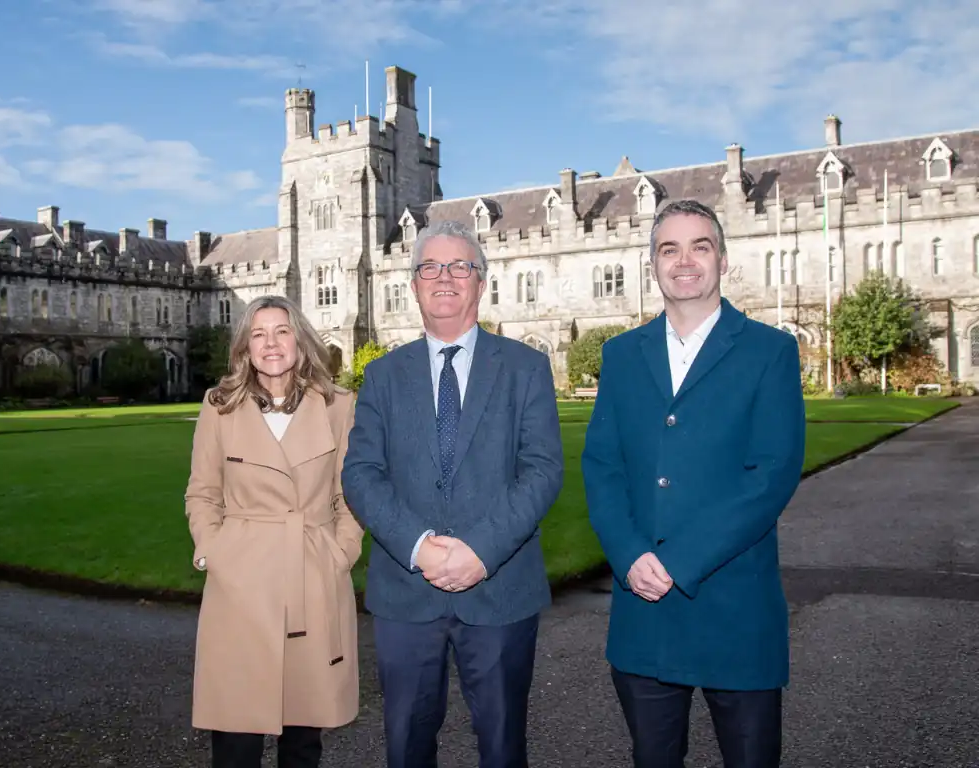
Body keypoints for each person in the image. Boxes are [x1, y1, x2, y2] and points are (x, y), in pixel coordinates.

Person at [581, 199, 806, 768]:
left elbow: (771, 475)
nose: (684, 261)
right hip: (645, 610)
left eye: (699, 246)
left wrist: (678, 561)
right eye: (669, 248)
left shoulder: (769, 351)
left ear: (723, 261)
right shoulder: (621, 355)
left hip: (736, 609)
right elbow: (602, 467)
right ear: (652, 264)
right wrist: (630, 555)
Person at [341, 219, 564, 768]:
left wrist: (479, 551)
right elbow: (361, 473)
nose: (445, 278)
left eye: (460, 266)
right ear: (414, 283)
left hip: (500, 590)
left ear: (481, 282)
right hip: (406, 595)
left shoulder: (525, 367)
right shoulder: (383, 376)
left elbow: (541, 471)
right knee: (407, 746)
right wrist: (419, 548)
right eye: (430, 268)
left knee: (503, 744)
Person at [184, 294, 364, 768]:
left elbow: (351, 495)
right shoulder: (219, 406)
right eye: (258, 334)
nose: (271, 343)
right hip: (241, 583)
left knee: (303, 738)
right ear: (244, 348)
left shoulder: (338, 406)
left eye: (281, 331)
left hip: (312, 573)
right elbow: (202, 493)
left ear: (301, 342)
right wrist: (213, 551)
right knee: (235, 739)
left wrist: (340, 553)